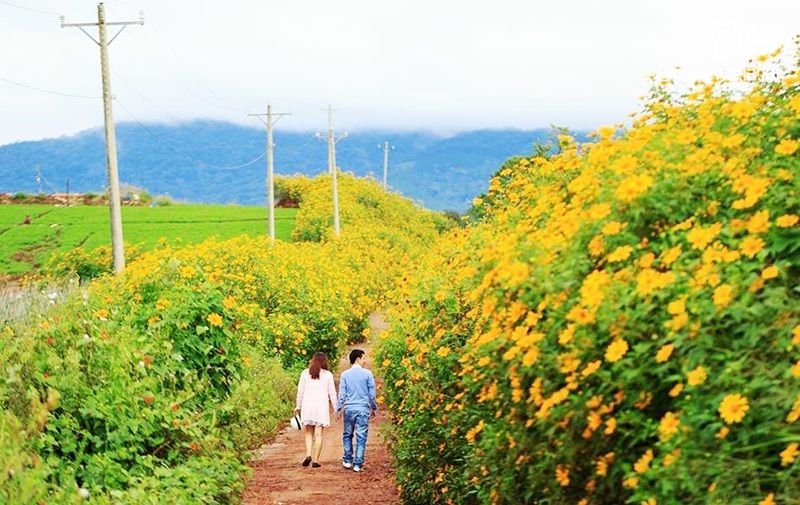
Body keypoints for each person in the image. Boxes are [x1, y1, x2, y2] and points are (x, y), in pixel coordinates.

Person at [295, 352, 340, 468]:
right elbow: (332, 394)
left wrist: (298, 406)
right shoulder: (328, 375)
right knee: (319, 434)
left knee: (309, 433)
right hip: (321, 407)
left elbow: (300, 391)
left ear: (313, 360)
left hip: (307, 406)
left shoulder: (305, 373)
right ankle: (315, 460)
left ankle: (308, 454)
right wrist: (337, 409)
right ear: (325, 361)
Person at [337, 349, 377, 473]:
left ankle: (348, 460)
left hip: (349, 409)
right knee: (361, 437)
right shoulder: (368, 374)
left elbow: (342, 394)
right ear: (358, 359)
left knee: (347, 434)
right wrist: (373, 407)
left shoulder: (345, 375)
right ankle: (358, 464)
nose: (365, 361)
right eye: (364, 358)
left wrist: (339, 408)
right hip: (363, 410)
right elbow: (372, 394)